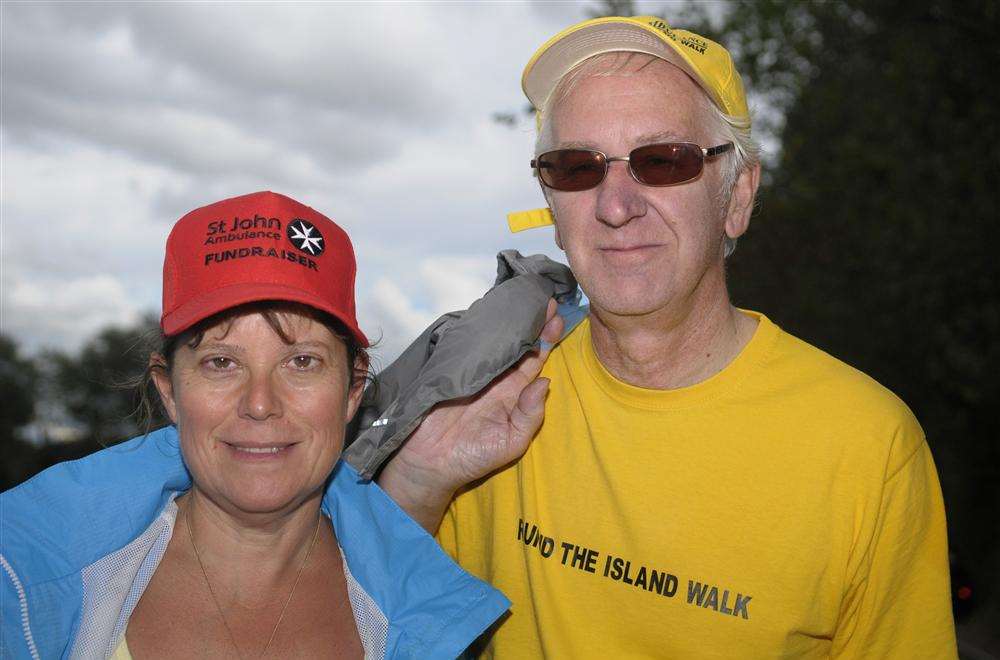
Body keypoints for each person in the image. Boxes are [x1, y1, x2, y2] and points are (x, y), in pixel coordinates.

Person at [378, 16, 958, 658]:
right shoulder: (485, 399)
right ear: (550, 202)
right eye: (576, 167)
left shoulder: (867, 445)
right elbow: (370, 631)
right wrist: (420, 482)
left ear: (736, 195)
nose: (615, 205)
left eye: (663, 162)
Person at [0, 191, 511, 659]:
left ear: (353, 391)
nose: (260, 404)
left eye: (302, 362)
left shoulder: (425, 621)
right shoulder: (23, 578)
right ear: (169, 391)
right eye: (221, 362)